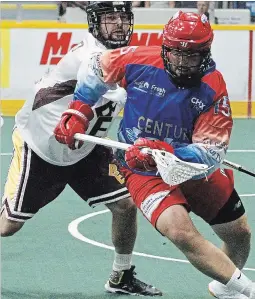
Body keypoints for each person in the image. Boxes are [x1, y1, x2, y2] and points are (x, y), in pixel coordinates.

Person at [54, 11, 255, 299]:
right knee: (179, 231)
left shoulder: (213, 86)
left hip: (188, 166)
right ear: (165, 47)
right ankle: (251, 291)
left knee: (239, 234)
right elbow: (95, 69)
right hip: (140, 168)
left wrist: (168, 151)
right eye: (175, 53)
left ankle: (225, 288)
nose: (180, 62)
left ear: (205, 53)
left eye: (190, 56)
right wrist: (79, 109)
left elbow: (212, 152)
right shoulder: (137, 59)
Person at [0, 1, 162, 296]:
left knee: (125, 206)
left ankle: (121, 276)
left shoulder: (123, 55)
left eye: (123, 18)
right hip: (41, 146)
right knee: (7, 227)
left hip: (85, 147)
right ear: (94, 23)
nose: (118, 25)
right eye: (110, 18)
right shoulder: (87, 57)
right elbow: (128, 92)